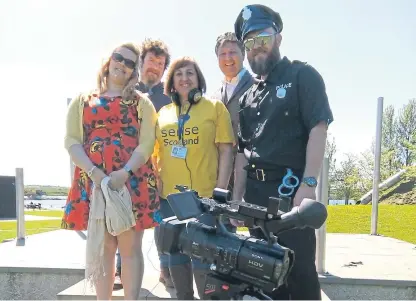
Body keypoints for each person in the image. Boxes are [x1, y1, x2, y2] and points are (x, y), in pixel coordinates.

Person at [232, 4, 334, 301]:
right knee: (265, 274)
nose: (255, 47)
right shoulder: (248, 95)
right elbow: (243, 151)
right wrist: (238, 196)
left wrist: (309, 184)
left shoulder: (303, 75)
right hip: (255, 197)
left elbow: (319, 127)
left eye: (262, 38)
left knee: (300, 273)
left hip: (291, 194)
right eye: (248, 42)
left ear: (278, 37)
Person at [62, 42, 160, 300]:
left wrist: (125, 172)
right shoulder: (83, 100)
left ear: (134, 72)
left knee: (130, 249)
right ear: (109, 59)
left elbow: (147, 143)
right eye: (120, 58)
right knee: (105, 248)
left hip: (131, 180)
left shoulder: (142, 103)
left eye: (130, 63)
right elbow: (71, 141)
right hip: (95, 182)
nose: (123, 65)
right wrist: (94, 172)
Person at [152, 56, 235, 299]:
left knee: (203, 256)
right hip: (170, 199)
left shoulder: (215, 108)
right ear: (172, 83)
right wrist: (156, 179)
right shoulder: (163, 113)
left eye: (190, 73)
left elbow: (226, 149)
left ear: (198, 79)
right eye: (179, 74)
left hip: (204, 198)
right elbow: (156, 152)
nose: (184, 78)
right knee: (175, 255)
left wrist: (221, 189)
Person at [114, 38, 173, 289]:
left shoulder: (169, 98)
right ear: (141, 61)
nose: (155, 67)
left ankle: (166, 268)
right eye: (151, 61)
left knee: (165, 222)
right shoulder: (125, 90)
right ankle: (119, 271)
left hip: (158, 171)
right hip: (127, 169)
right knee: (123, 220)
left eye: (160, 64)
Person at [211, 31, 256, 232]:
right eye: (223, 54)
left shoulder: (258, 86)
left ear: (243, 54)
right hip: (219, 177)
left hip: (249, 176)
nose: (228, 58)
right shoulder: (213, 95)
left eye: (233, 52)